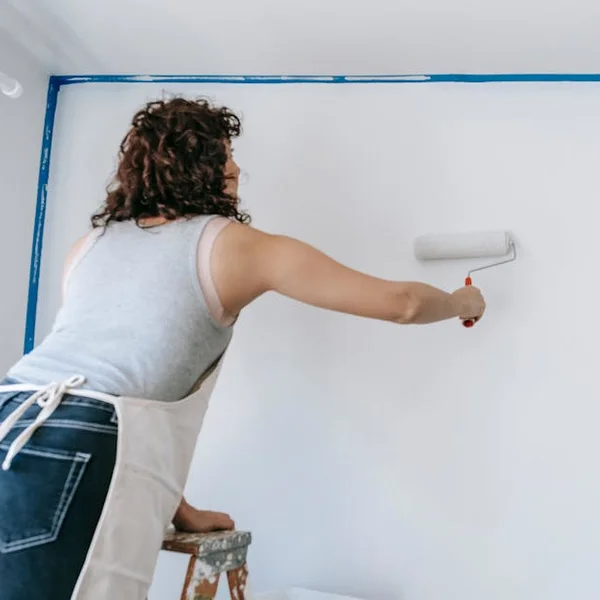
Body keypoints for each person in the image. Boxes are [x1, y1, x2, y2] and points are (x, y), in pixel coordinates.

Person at [0, 97, 485, 599]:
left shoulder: (90, 245)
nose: (234, 167)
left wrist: (178, 509)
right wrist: (460, 300)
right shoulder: (234, 245)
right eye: (223, 153)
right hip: (78, 444)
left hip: (12, 416)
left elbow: (122, 380)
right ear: (196, 166)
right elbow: (402, 303)